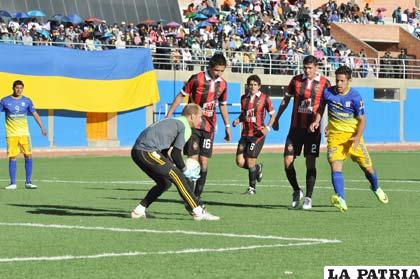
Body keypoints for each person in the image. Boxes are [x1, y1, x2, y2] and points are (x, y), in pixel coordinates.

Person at [309, 66, 389, 212]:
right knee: (335, 165)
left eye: (342, 81)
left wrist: (358, 137)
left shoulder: (355, 97)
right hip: (335, 138)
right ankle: (341, 198)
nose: (339, 84)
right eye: (337, 80)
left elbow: (363, 119)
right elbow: (321, 108)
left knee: (368, 169)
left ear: (349, 81)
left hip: (353, 137)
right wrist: (317, 121)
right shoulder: (328, 92)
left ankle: (376, 187)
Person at [130, 104, 219, 221]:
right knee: (179, 177)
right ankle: (198, 211)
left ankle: (139, 210)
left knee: (165, 183)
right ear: (192, 116)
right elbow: (176, 154)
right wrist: (184, 170)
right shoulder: (185, 127)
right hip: (146, 151)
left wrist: (174, 165)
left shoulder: (174, 121)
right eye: (200, 116)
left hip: (139, 152)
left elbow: (166, 152)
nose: (201, 120)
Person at [165, 53, 231, 202]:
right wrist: (169, 114)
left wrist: (227, 126)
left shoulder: (224, 84)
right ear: (210, 67)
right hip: (193, 125)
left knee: (204, 162)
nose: (219, 73)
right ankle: (190, 196)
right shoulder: (196, 78)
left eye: (221, 71)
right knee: (192, 161)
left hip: (209, 127)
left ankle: (197, 195)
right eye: (216, 70)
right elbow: (181, 95)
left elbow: (222, 105)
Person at [272, 55, 331, 209]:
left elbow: (328, 105)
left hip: (313, 130)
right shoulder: (296, 81)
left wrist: (324, 123)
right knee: (287, 162)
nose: (307, 70)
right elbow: (286, 100)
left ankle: (309, 198)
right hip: (295, 129)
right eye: (305, 67)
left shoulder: (325, 83)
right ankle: (297, 190)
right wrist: (277, 117)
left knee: (310, 162)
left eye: (310, 68)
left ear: (316, 67)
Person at [232, 75, 275, 194]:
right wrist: (238, 120)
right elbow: (244, 114)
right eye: (250, 84)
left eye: (255, 84)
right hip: (245, 134)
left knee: (250, 160)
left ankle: (252, 188)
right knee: (240, 162)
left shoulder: (265, 98)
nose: (253, 87)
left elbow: (273, 115)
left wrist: (267, 128)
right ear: (247, 86)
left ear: (259, 86)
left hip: (257, 134)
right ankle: (257, 168)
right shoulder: (243, 98)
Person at [1, 80, 47, 190]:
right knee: (12, 157)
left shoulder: (27, 101)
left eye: (21, 88)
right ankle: (13, 183)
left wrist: (42, 127)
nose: (19, 90)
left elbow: (35, 113)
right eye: (17, 88)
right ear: (13, 88)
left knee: (28, 155)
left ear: (23, 89)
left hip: (24, 134)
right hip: (11, 134)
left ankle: (28, 182)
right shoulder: (5, 101)